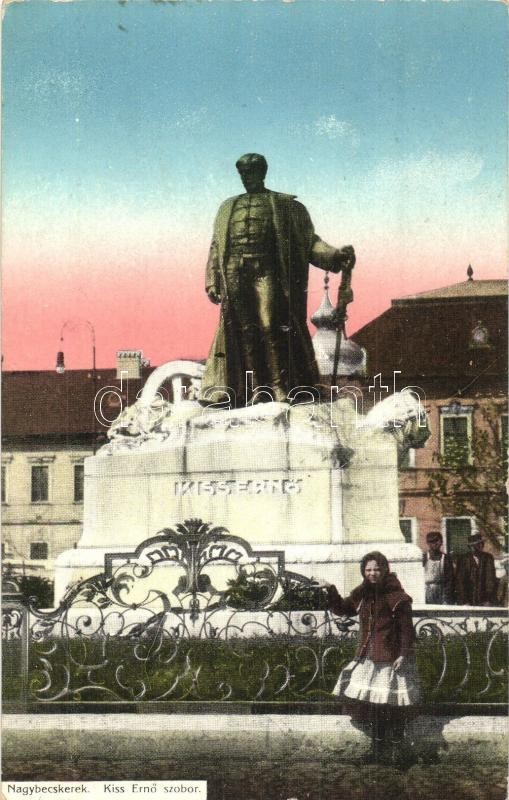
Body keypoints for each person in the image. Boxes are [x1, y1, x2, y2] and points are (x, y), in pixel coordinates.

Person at [199, 153, 356, 406]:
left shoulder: (285, 205)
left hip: (266, 269)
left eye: (251, 172)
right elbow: (216, 246)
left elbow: (309, 242)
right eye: (243, 173)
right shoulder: (227, 207)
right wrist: (212, 280)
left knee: (270, 324)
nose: (247, 177)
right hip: (234, 271)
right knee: (245, 330)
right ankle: (255, 389)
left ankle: (278, 386)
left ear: (263, 173)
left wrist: (335, 256)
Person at [315, 551, 420, 767]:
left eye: (377, 569)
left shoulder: (397, 596)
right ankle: (378, 751)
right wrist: (330, 588)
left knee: (392, 706)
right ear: (363, 571)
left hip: (390, 660)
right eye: (368, 569)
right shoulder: (363, 593)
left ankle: (397, 753)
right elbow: (343, 608)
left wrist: (403, 654)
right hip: (368, 658)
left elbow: (407, 629)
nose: (372, 573)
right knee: (372, 705)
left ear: (385, 570)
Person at [455, 532, 498, 606]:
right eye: (477, 545)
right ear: (470, 547)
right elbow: (460, 581)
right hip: (468, 598)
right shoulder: (463, 559)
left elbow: (490, 579)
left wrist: (488, 599)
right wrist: (464, 600)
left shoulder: (488, 558)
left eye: (481, 544)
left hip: (484, 598)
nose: (480, 546)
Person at [422, 531, 455, 604]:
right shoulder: (423, 558)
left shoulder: (446, 559)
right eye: (431, 542)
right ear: (428, 543)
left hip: (441, 592)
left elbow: (450, 580)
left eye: (437, 541)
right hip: (426, 591)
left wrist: (446, 598)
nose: (434, 544)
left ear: (441, 542)